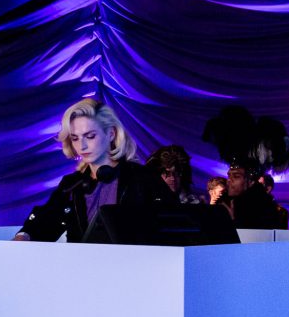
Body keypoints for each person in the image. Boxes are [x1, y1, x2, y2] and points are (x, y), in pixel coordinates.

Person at [14, 98, 175, 242]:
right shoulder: (71, 185)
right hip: (82, 270)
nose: (82, 146)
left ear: (111, 134)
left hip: (135, 269)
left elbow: (174, 226)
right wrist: (25, 235)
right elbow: (45, 222)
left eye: (90, 136)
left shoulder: (143, 177)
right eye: (75, 138)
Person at [224, 164, 278, 230]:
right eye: (229, 176)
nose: (229, 180)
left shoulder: (263, 208)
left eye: (236, 176)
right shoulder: (225, 203)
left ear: (250, 182)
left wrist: (233, 220)